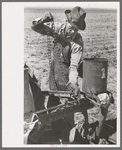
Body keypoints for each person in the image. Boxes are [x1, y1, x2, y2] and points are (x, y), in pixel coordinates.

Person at [31, 6, 86, 98]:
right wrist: (42, 20)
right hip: (54, 74)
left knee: (68, 107)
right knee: (52, 104)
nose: (73, 31)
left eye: (76, 29)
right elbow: (35, 27)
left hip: (67, 78)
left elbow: (74, 66)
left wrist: (73, 82)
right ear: (67, 21)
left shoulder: (78, 43)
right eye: (71, 27)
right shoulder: (57, 28)